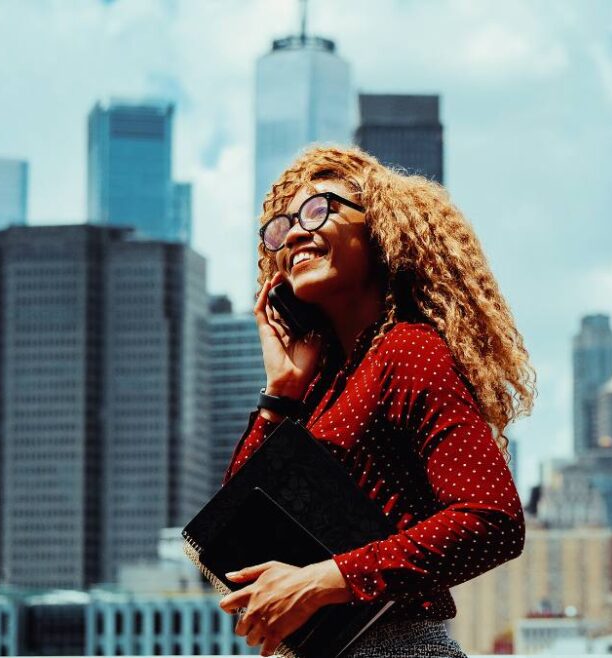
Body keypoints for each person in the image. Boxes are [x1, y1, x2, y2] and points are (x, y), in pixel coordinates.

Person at [216, 145, 536, 658]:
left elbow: (492, 518)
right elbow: (232, 530)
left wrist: (327, 579)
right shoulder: (315, 388)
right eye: (281, 227)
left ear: (379, 229)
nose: (295, 232)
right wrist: (281, 394)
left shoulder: (409, 352)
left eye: (318, 210)